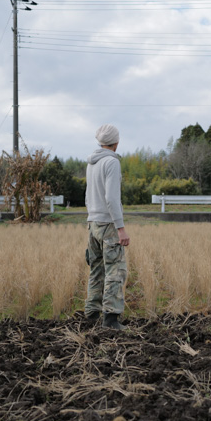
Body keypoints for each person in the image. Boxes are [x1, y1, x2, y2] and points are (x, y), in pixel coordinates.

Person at [84, 124, 130, 330]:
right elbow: (111, 198)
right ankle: (111, 319)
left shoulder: (91, 163)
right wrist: (120, 228)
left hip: (92, 222)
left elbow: (87, 195)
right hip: (108, 224)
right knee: (115, 270)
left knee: (96, 269)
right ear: (116, 143)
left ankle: (92, 314)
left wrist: (90, 220)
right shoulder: (111, 162)